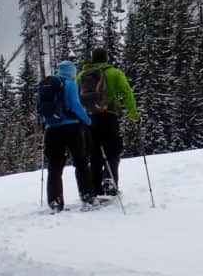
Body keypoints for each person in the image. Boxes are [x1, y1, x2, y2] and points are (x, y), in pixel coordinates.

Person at [77, 47, 139, 196]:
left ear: (92, 59)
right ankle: (109, 181)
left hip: (89, 118)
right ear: (106, 58)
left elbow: (75, 97)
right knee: (113, 150)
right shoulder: (114, 73)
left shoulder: (81, 75)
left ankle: (95, 188)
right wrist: (134, 114)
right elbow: (126, 92)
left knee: (94, 152)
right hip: (109, 115)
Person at [38, 60, 95, 212]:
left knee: (55, 166)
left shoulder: (47, 85)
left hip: (51, 129)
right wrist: (88, 120)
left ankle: (55, 202)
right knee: (81, 162)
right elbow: (75, 105)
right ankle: (87, 197)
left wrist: (46, 125)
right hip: (71, 128)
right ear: (71, 71)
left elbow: (40, 110)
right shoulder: (69, 84)